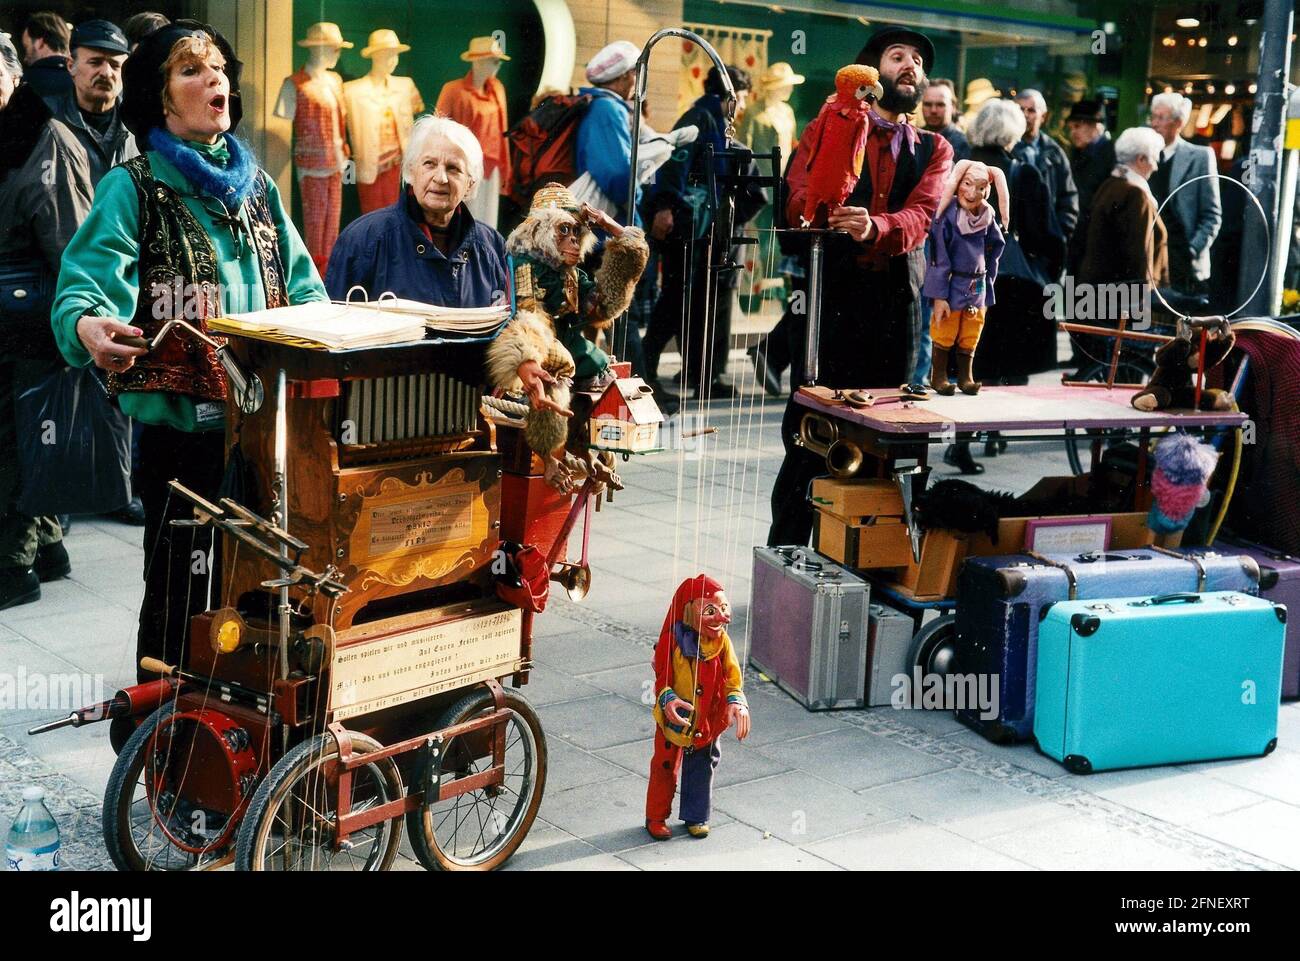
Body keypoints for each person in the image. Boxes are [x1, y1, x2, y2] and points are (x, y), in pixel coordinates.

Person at [50, 21, 329, 678]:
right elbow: (89, 279)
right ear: (162, 96)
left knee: (264, 593)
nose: (214, 81)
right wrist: (90, 324)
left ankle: (249, 744)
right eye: (191, 71)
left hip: (265, 430)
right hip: (181, 436)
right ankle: (165, 746)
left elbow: (306, 287)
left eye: (218, 69)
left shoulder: (257, 189)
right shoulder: (135, 185)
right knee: (181, 599)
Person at [767, 26, 952, 546]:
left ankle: (873, 558)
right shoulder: (829, 124)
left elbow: (922, 213)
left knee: (893, 437)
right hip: (834, 300)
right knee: (809, 434)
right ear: (872, 69)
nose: (910, 65)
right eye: (898, 57)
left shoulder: (936, 147)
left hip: (897, 305)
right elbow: (798, 197)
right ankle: (787, 559)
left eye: (917, 59)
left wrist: (877, 226)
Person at [0, 20, 138, 608]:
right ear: (71, 65)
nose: (104, 72)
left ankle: (15, 560)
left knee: (23, 431)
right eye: (93, 60)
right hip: (41, 302)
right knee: (33, 424)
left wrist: (81, 310)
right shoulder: (43, 126)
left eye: (115, 63)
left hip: (46, 305)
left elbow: (69, 237)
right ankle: (47, 546)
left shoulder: (90, 132)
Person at [642, 64, 765, 400]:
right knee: (681, 300)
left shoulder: (707, 119)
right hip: (692, 228)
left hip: (698, 228)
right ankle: (652, 369)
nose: (741, 104)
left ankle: (697, 375)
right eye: (740, 97)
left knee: (685, 300)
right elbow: (674, 162)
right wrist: (666, 206)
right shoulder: (701, 119)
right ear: (731, 95)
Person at [325, 114, 507, 306]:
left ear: (470, 183)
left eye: (453, 168)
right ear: (411, 171)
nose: (441, 178)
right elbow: (335, 324)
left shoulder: (493, 248)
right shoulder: (363, 240)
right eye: (430, 164)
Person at [645, 575, 749, 841]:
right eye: (710, 611)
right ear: (690, 611)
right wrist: (667, 699)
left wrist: (736, 700)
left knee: (703, 764)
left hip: (707, 719)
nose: (722, 618)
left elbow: (732, 676)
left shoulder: (722, 642)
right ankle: (656, 816)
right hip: (675, 720)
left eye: (724, 609)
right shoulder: (673, 641)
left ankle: (696, 815)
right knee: (665, 764)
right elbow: (662, 679)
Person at [1078, 125, 1169, 308]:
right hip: (1122, 304)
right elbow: (1139, 255)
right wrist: (1144, 303)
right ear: (1141, 159)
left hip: (1101, 297)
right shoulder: (1136, 195)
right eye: (1154, 159)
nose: (1156, 167)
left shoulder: (1111, 185)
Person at [1147, 92, 1221, 295]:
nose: (1154, 123)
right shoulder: (1143, 156)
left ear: (1178, 123)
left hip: (1183, 260)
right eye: (1152, 116)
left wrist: (1192, 249)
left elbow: (1212, 215)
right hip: (1148, 259)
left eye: (1161, 118)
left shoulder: (1199, 157)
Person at [1065, 98, 1116, 275]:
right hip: (1077, 238)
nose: (1073, 132)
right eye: (1071, 127)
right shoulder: (1077, 153)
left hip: (1098, 240)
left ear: (1096, 126)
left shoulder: (1111, 154)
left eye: (1078, 126)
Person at [18, 11, 72, 105]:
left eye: (26, 48)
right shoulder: (82, 79)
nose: (25, 58)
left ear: (40, 43)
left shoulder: (26, 83)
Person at [921, 79, 970, 160]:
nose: (933, 110)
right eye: (928, 104)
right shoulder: (914, 137)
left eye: (940, 105)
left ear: (953, 107)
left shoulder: (961, 143)